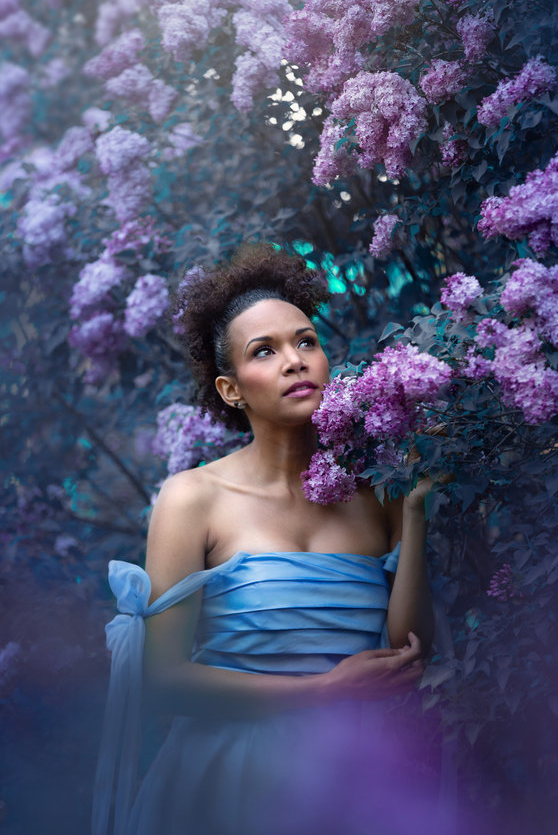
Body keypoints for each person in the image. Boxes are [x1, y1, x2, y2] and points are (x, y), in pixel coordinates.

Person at [92, 243, 441, 835]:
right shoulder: (190, 499)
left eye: (306, 341)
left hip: (359, 780)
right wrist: (324, 691)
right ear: (232, 391)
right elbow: (162, 680)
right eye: (265, 351)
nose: (295, 360)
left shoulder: (380, 490)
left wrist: (414, 508)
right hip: (230, 781)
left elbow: (410, 651)